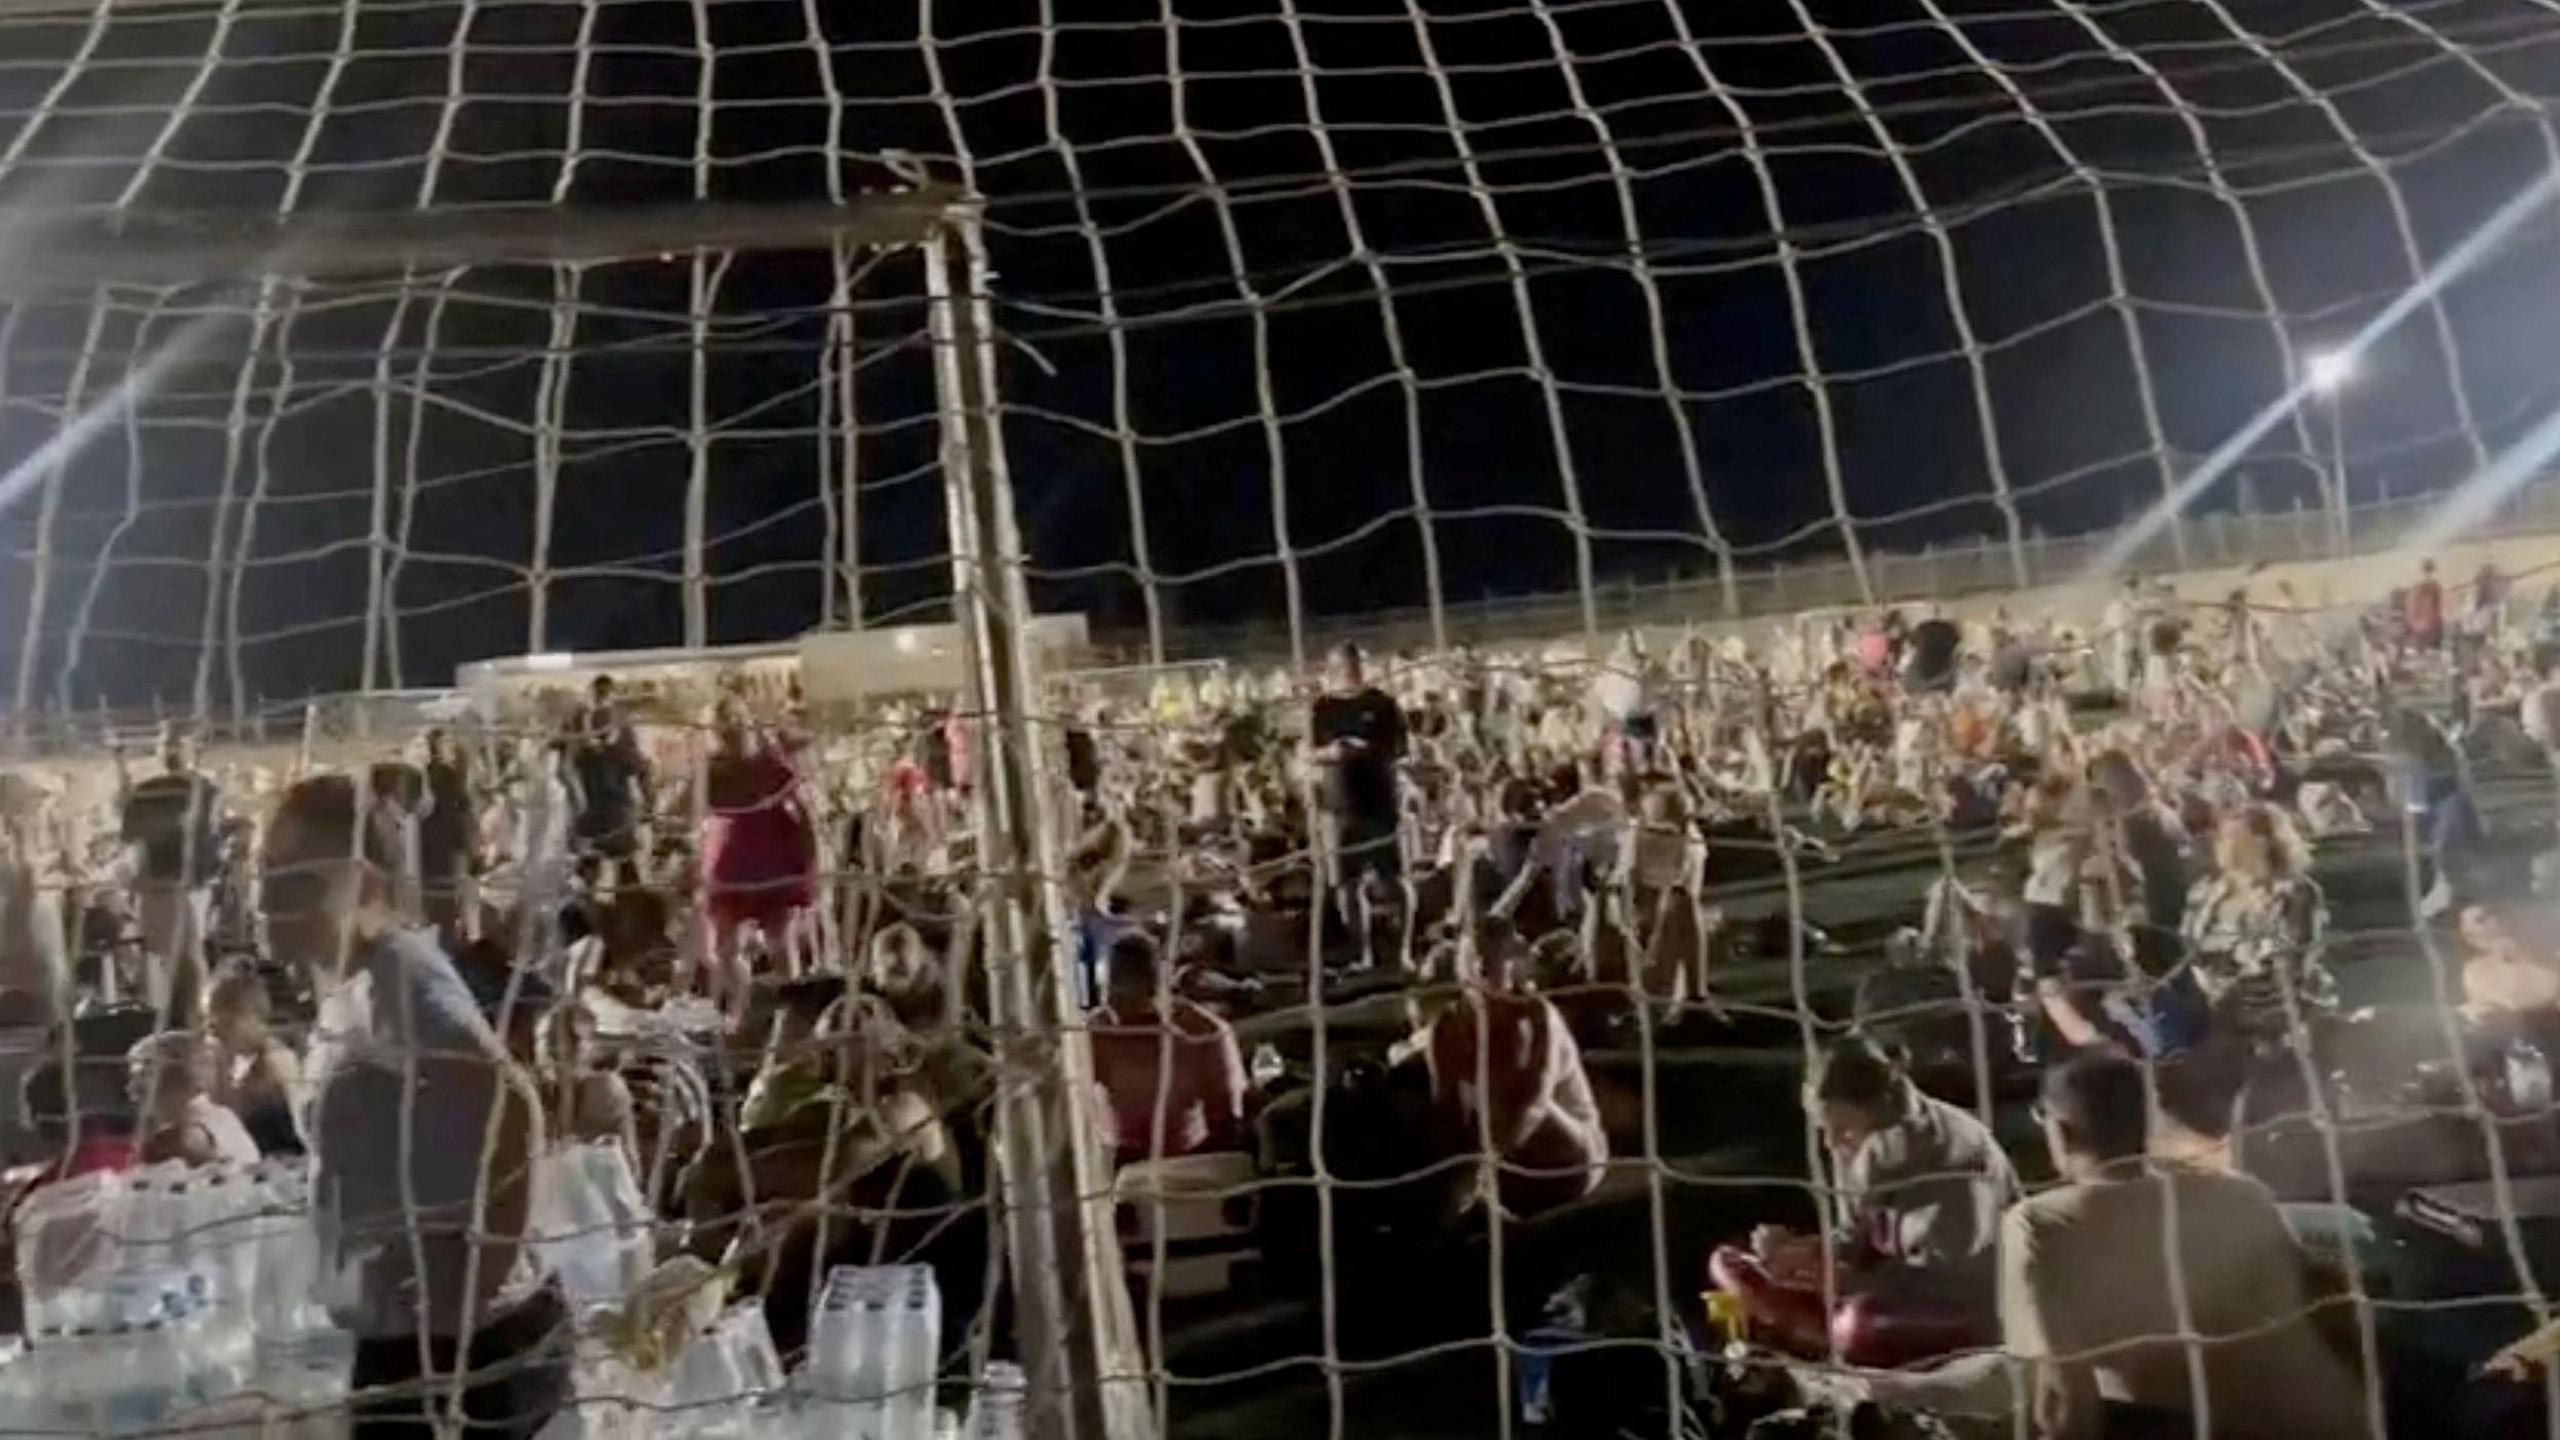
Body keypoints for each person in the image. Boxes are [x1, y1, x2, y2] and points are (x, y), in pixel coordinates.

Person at [263, 773, 563, 1440]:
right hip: (418, 1339)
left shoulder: (398, 988)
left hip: (463, 1357)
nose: (269, 901)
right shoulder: (355, 982)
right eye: (266, 876)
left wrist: (465, 1303)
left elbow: (511, 1101)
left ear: (365, 887)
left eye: (297, 883)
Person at [1999, 1050, 2371, 1440]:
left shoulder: (2038, 1224)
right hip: (2335, 1421)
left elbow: (2066, 1403)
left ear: (2060, 1131)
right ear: (2148, 1122)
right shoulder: (2242, 1194)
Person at [1711, 1035, 2016, 1368]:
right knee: (1729, 1262)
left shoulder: (1954, 1159)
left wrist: (1843, 1279)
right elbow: (1856, 1238)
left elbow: (1950, 1284)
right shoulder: (1855, 1146)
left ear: (1884, 1109)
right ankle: (1804, 1339)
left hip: (1969, 1306)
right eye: (1822, 1130)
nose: (1830, 1144)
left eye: (1842, 1131)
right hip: (1877, 1286)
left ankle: (1815, 1344)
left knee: (1858, 1324)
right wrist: (1806, 1251)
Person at [1088, 931, 1251, 1164]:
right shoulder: (1096, 1032)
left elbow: (1228, 1124)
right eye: (1112, 994)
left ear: (1162, 987)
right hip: (1115, 1163)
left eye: (1131, 994)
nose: (1119, 1007)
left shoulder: (1204, 1035)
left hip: (1187, 1164)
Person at [696, 697, 816, 1004]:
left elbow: (804, 813)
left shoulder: (770, 765)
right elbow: (685, 810)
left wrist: (811, 862)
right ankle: (747, 1004)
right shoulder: (712, 771)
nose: (730, 734)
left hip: (773, 863)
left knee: (779, 942)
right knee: (723, 948)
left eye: (734, 726)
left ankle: (791, 1006)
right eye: (723, 729)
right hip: (730, 866)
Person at [116, 724, 223, 1025]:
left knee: (189, 957)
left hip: (188, 885)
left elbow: (210, 835)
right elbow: (132, 835)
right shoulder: (149, 791)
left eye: (178, 744)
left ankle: (193, 1017)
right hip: (161, 884)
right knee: (167, 958)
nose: (173, 751)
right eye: (167, 744)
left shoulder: (202, 788)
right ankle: (177, 1018)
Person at [1309, 642, 1409, 961]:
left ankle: (1401, 947)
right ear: (1331, 670)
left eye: (1354, 666)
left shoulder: (1382, 704)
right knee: (1345, 882)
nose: (1349, 673)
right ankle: (1360, 949)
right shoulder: (1321, 708)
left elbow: (1400, 747)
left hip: (1378, 801)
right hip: (1337, 808)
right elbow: (1307, 751)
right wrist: (1332, 753)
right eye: (1342, 668)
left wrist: (1368, 750)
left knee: (1390, 878)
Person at [206, 963, 303, 1155]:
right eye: (209, 1022)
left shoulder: (278, 1061)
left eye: (226, 1022)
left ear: (256, 1017)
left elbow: (233, 1121)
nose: (215, 1031)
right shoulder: (234, 1062)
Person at [127, 1030, 261, 1166]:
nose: (131, 1089)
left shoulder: (186, 1137)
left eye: (142, 1075)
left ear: (177, 1075)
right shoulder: (222, 1119)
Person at [2405, 557, 2447, 653]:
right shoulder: (2435, 585)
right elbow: (2440, 607)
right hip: (2430, 625)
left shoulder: (2416, 585)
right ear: (2433, 570)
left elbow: (2411, 607)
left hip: (2418, 625)